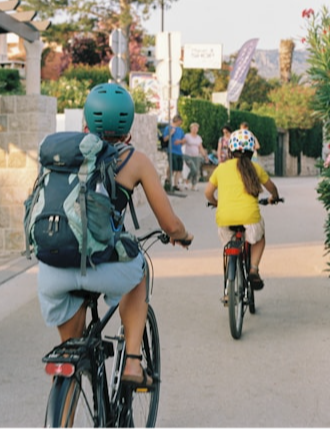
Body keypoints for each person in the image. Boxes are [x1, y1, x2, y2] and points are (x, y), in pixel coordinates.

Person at [37, 83, 193, 387]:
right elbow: (170, 224)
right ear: (128, 133)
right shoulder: (135, 160)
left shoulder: (59, 156)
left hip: (53, 271)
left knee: (72, 359)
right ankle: (133, 363)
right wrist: (182, 235)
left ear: (85, 127)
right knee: (139, 273)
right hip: (106, 269)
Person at [204, 129, 279, 295]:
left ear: (230, 150)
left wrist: (216, 203)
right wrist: (275, 197)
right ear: (252, 151)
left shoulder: (221, 168)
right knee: (259, 239)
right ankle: (253, 270)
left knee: (229, 249)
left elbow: (208, 193)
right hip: (250, 219)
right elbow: (271, 188)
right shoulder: (256, 168)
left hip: (224, 220)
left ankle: (227, 291)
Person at [183, 122, 209, 191]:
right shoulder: (187, 136)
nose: (195, 129)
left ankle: (193, 185)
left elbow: (200, 147)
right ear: (190, 129)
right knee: (193, 169)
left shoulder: (198, 138)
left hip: (196, 156)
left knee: (196, 171)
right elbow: (182, 143)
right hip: (188, 155)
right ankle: (186, 181)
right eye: (193, 128)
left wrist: (205, 156)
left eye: (196, 128)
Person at [163, 115, 186, 190]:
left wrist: (180, 141)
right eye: (180, 121)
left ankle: (176, 185)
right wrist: (171, 133)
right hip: (171, 150)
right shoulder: (168, 128)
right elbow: (165, 139)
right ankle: (168, 181)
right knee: (172, 167)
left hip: (179, 151)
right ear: (177, 120)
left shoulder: (180, 130)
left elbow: (184, 140)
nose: (181, 123)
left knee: (179, 169)